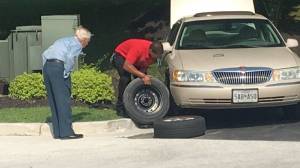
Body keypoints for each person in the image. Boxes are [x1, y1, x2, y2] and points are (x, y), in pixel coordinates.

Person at [42, 26, 92, 139]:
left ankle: (58, 132)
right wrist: (66, 72)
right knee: (63, 99)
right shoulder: (77, 44)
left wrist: (46, 69)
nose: (86, 44)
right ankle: (66, 133)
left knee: (54, 100)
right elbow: (69, 58)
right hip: (59, 67)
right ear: (83, 39)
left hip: (47, 67)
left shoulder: (62, 40)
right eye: (87, 42)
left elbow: (44, 54)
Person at [111, 39, 164, 117]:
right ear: (150, 50)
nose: (157, 58)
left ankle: (138, 106)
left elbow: (144, 65)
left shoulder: (154, 54)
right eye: (155, 56)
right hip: (121, 55)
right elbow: (127, 66)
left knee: (143, 82)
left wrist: (142, 76)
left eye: (159, 56)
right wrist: (143, 76)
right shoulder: (138, 49)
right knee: (126, 79)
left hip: (137, 60)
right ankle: (121, 107)